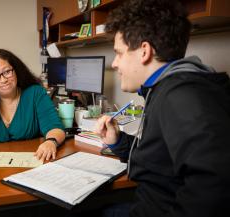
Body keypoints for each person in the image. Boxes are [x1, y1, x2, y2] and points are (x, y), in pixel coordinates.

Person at [95, 0, 230, 216]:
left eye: (119, 53)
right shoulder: (166, 88)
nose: (114, 64)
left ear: (144, 51)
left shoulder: (182, 95)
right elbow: (159, 162)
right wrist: (119, 142)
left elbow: (216, 184)